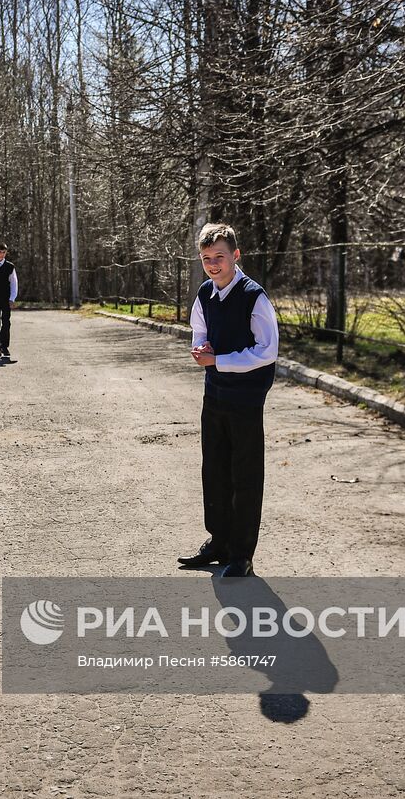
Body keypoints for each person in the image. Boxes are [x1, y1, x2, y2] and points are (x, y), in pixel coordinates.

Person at [176, 223, 279, 579]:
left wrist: (219, 360)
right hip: (215, 394)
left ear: (236, 255)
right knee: (215, 470)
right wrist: (202, 348)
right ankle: (218, 541)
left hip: (247, 398)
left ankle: (242, 553)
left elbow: (267, 351)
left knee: (245, 474)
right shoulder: (205, 294)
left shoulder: (254, 296)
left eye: (219, 257)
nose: (213, 264)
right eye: (206, 259)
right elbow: (200, 330)